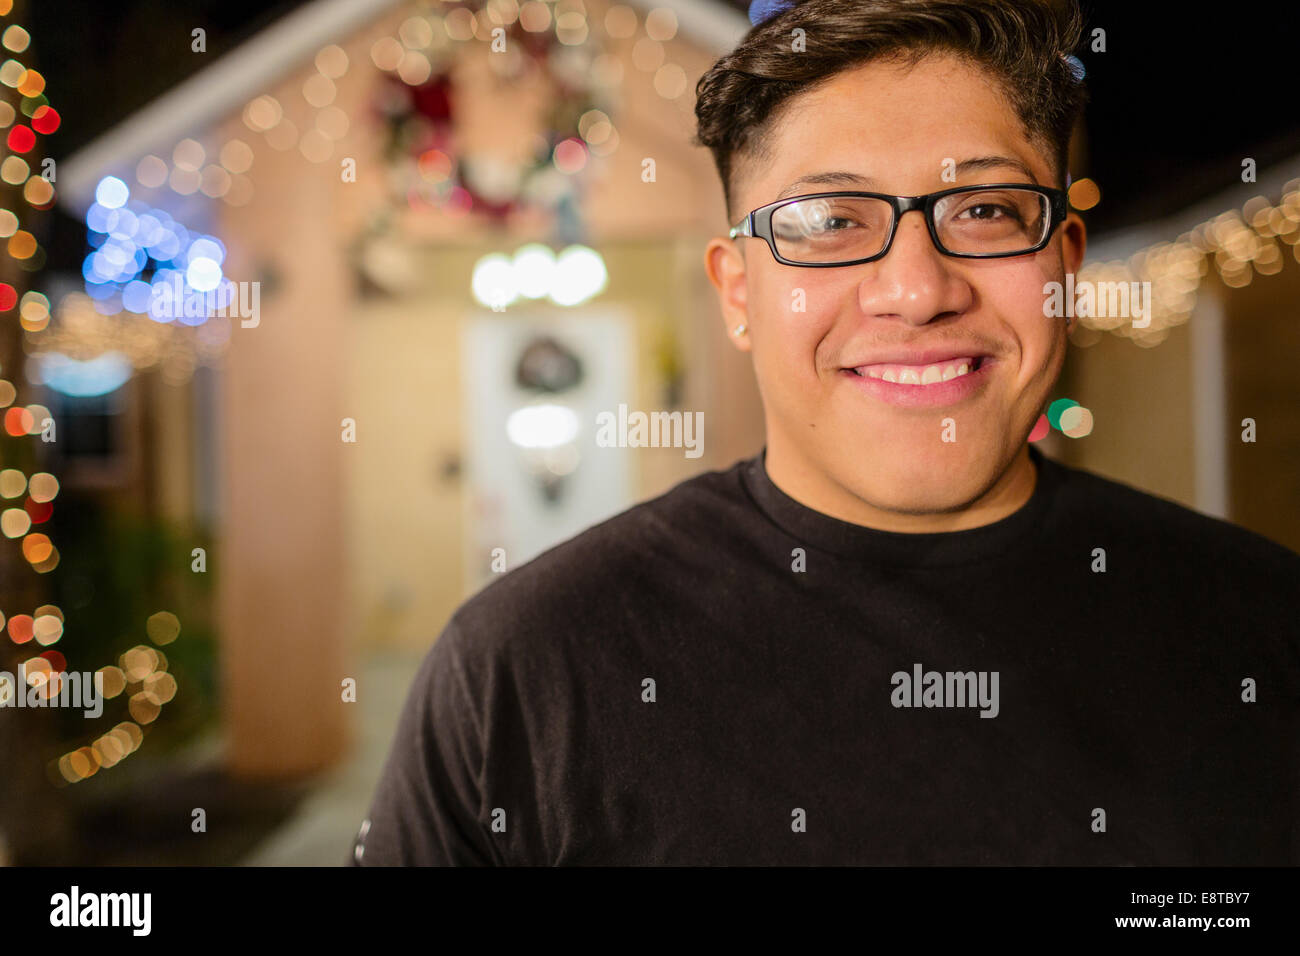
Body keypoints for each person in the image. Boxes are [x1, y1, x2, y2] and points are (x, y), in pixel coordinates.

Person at [351, 0, 1298, 865]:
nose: (918, 291)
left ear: (1063, 260)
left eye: (983, 211)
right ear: (738, 293)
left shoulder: (1264, 631)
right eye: (830, 220)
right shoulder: (522, 674)